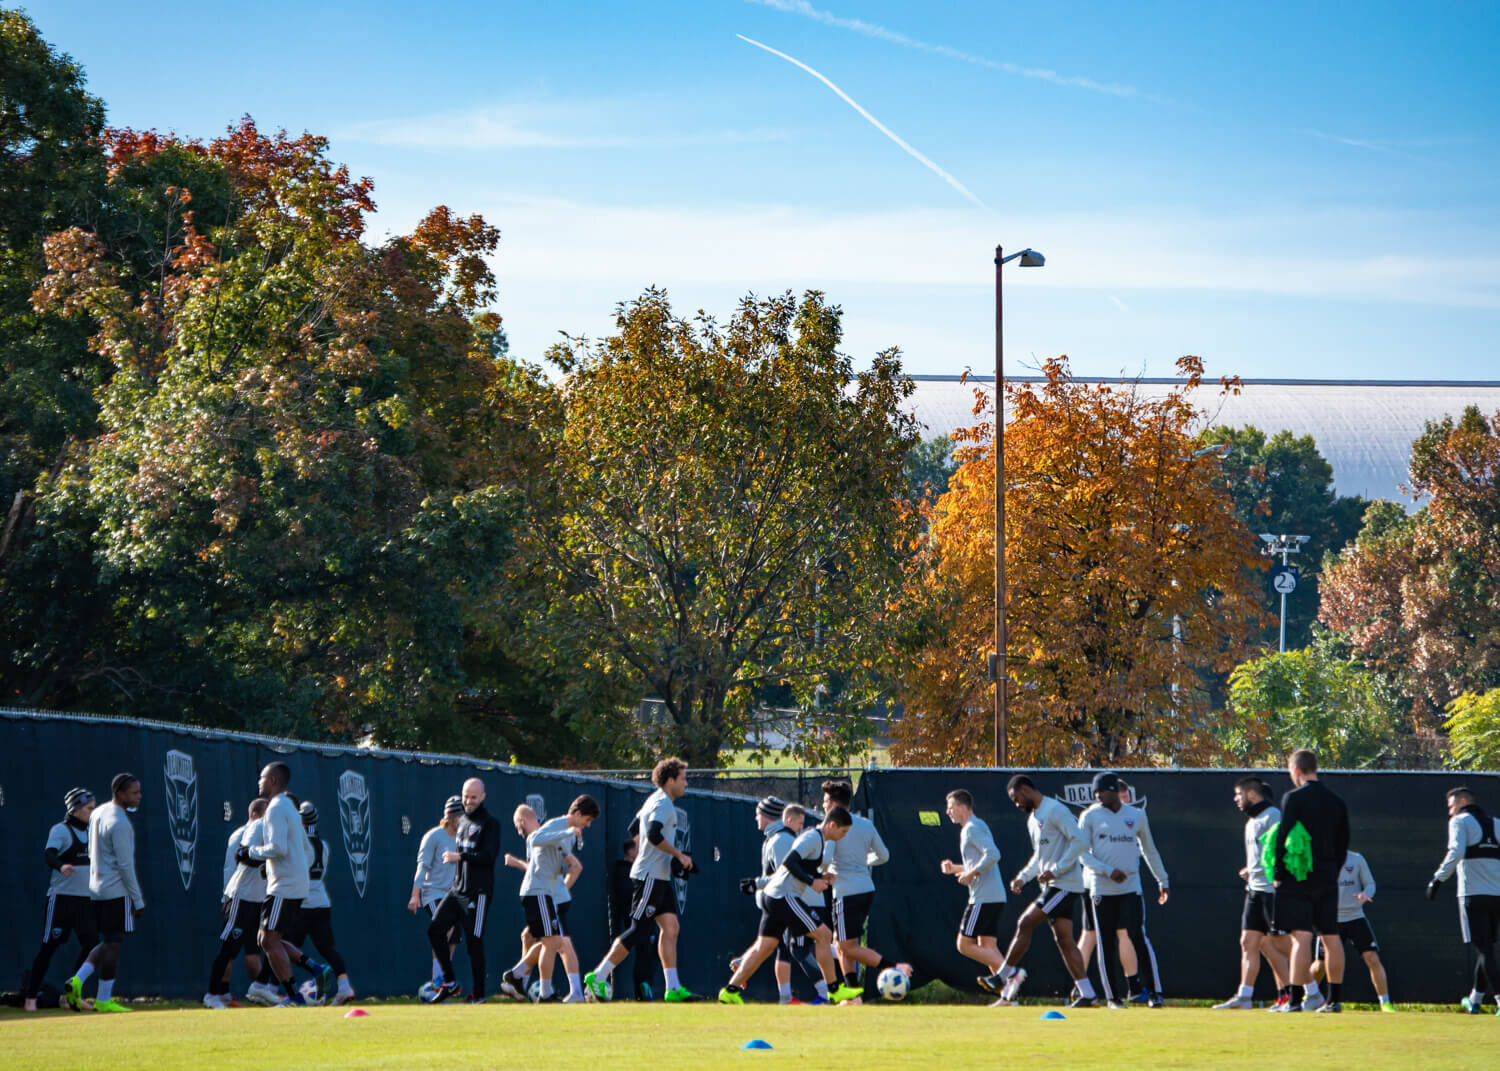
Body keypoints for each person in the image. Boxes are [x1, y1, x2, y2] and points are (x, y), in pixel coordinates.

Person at [718, 805, 862, 1004]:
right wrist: (813, 882)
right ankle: (834, 990)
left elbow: (799, 867)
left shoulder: (817, 839)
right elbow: (789, 863)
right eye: (843, 831)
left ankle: (730, 991)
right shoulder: (813, 838)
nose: (843, 836)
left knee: (765, 947)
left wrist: (820, 877)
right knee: (824, 935)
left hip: (775, 896)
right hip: (782, 896)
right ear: (831, 825)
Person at [585, 757, 701, 1003]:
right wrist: (677, 854)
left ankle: (672, 988)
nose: (686, 784)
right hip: (649, 877)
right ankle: (598, 975)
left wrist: (653, 854)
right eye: (682, 779)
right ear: (670, 780)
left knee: (670, 928)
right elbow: (654, 833)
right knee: (638, 931)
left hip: (658, 876)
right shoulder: (663, 804)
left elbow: (634, 828)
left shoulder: (654, 800)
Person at [991, 775, 1096, 1008]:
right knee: (1065, 941)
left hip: (1064, 885)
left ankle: (1002, 975)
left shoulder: (1055, 809)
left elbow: (1079, 841)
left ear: (1027, 790)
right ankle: (1088, 993)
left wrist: (1056, 871)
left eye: (1016, 798)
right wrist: (1022, 877)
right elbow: (1039, 858)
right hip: (1053, 885)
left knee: (1025, 922)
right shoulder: (1033, 819)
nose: (1016, 804)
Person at [1078, 772, 1170, 1009]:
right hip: (1101, 889)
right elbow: (1082, 853)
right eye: (1095, 793)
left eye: (1103, 792)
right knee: (1105, 941)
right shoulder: (1089, 816)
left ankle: (1154, 993)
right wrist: (1108, 871)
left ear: (1115, 791)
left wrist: (1163, 879)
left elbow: (1150, 850)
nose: (1098, 797)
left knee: (1137, 935)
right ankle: (1113, 997)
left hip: (1131, 887)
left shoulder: (1136, 816)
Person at [1270, 748, 1350, 1013]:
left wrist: (1279, 872)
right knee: (1331, 936)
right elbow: (1344, 841)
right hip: (1328, 874)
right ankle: (1334, 1000)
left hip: (1299, 875)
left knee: (1301, 938)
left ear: (1295, 771)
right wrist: (1334, 868)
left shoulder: (1293, 798)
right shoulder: (1337, 800)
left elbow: (1283, 837)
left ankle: (1293, 1001)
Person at [498, 795, 599, 1003]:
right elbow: (534, 839)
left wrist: (564, 872)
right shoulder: (558, 825)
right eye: (587, 820)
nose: (587, 825)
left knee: (549, 942)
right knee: (552, 941)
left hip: (546, 893)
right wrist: (567, 831)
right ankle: (542, 991)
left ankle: (522, 977)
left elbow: (559, 861)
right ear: (577, 814)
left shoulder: (568, 835)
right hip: (537, 891)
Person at [245, 763, 330, 1007]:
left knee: (269, 941)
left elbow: (277, 848)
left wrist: (250, 852)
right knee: (267, 939)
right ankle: (315, 969)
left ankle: (294, 997)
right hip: (290, 884)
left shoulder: (275, 809)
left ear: (272, 780)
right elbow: (306, 851)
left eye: (261, 777)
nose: (259, 782)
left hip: (283, 886)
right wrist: (295, 870)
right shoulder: (291, 808)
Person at [819, 779, 908, 997]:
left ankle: (895, 968)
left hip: (845, 892)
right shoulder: (866, 824)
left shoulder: (832, 825)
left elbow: (826, 859)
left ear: (832, 804)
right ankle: (853, 994)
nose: (822, 806)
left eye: (824, 802)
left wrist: (818, 871)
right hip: (865, 890)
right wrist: (862, 861)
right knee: (843, 945)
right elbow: (883, 856)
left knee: (845, 946)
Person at [64, 773, 144, 1013]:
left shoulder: (98, 812)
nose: (139, 797)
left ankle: (77, 980)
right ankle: (103, 999)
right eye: (134, 793)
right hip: (115, 891)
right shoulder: (119, 822)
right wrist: (137, 899)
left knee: (108, 942)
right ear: (120, 794)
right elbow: (125, 865)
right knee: (114, 944)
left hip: (96, 889)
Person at [1213, 777, 1293, 1011]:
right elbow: (1261, 854)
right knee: (1249, 942)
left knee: (1284, 944)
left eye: (1239, 794)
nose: (1236, 799)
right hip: (1254, 890)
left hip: (1271, 891)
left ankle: (1310, 992)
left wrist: (1275, 876)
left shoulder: (1273, 816)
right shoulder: (1251, 822)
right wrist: (1251, 870)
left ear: (1252, 794)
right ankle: (1244, 996)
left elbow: (1281, 851)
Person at [737, 795, 824, 1004]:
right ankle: (809, 995)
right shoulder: (775, 838)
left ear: (767, 816)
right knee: (788, 948)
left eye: (758, 814)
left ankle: (799, 995)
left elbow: (784, 875)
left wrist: (756, 883)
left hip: (788, 900)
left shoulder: (781, 840)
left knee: (788, 948)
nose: (756, 818)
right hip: (781, 901)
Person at [426, 777, 502, 1003]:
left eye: (473, 797)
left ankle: (478, 994)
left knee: (474, 941)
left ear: (483, 797)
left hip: (478, 892)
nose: (468, 801)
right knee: (435, 930)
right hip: (457, 890)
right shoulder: (463, 823)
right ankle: (448, 981)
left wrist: (460, 856)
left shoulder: (489, 823)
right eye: (466, 796)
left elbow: (488, 857)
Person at [1427, 785, 1500, 1015]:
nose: (1450, 812)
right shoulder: (1497, 823)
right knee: (1486, 949)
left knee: (1484, 951)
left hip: (1472, 895)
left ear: (1461, 802)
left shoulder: (1459, 822)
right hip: (1497, 897)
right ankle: (1475, 1000)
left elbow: (1456, 851)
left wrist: (1437, 880)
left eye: (1451, 806)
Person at [25, 788, 99, 1011]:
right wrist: (61, 865)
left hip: (85, 901)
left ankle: (72, 997)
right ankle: (30, 998)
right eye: (89, 808)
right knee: (48, 948)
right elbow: (49, 854)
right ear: (75, 809)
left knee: (92, 946)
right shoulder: (61, 830)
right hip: (61, 902)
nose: (93, 812)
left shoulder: (93, 832)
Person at [284, 801, 355, 1005]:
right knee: (327, 949)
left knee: (279, 946)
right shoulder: (323, 846)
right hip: (321, 902)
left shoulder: (298, 844)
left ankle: (274, 989)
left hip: (301, 904)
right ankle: (344, 986)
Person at [939, 789, 1010, 987]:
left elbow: (993, 854)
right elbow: (981, 861)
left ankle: (1011, 973)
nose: (948, 811)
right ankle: (1008, 996)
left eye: (951, 807)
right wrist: (956, 868)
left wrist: (970, 874)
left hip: (983, 897)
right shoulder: (975, 826)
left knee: (964, 945)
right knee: (987, 947)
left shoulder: (972, 828)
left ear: (962, 807)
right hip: (993, 896)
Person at [204, 798, 268, 1009]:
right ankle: (214, 994)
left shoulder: (269, 833)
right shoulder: (242, 834)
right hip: (240, 898)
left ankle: (261, 993)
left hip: (258, 900)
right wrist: (227, 897)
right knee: (229, 949)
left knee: (253, 950)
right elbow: (232, 866)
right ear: (257, 814)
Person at [1311, 848, 1392, 1011]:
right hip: (1330, 921)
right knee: (1320, 965)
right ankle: (1306, 996)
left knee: (1372, 958)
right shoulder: (1319, 860)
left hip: (1356, 918)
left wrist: (1365, 893)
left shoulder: (1356, 859)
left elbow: (1370, 883)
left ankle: (1385, 1003)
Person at [411, 796, 463, 998]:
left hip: (454, 896)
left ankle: (443, 981)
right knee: (444, 929)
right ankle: (437, 983)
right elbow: (422, 867)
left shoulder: (463, 838)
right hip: (432, 894)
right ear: (451, 817)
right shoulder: (433, 837)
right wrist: (415, 896)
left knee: (452, 940)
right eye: (461, 817)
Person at [608, 836, 658, 1000]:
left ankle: (644, 989)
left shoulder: (641, 870)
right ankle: (600, 978)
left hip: (644, 919)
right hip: (636, 919)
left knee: (647, 952)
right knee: (641, 947)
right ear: (630, 852)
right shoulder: (624, 872)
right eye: (638, 848)